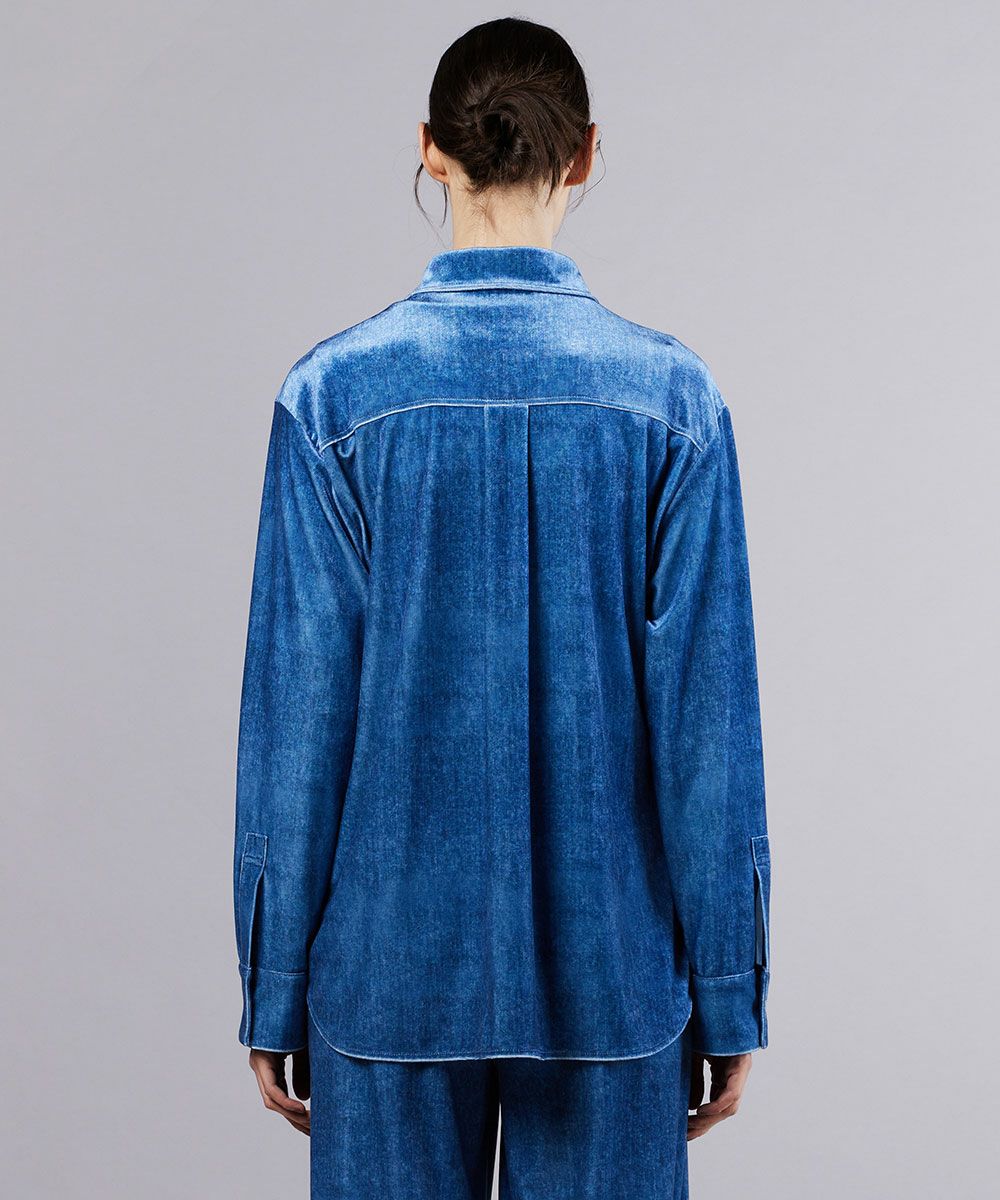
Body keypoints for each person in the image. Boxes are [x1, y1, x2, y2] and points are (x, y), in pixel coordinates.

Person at [233, 16, 770, 1198]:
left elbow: (298, 724)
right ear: (584, 154)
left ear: (431, 149)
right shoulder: (672, 402)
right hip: (612, 983)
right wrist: (730, 989)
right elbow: (707, 734)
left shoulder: (330, 400)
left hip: (383, 978)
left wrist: (272, 987)